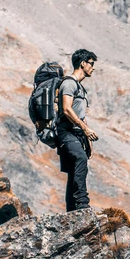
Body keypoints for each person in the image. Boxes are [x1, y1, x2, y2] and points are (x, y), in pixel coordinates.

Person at [57, 49, 98, 212]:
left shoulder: (79, 87)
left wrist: (87, 141)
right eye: (91, 64)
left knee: (74, 169)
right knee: (80, 160)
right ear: (83, 63)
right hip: (66, 132)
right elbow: (67, 109)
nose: (93, 68)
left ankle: (72, 211)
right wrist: (86, 129)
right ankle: (82, 205)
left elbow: (80, 115)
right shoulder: (69, 83)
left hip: (76, 133)